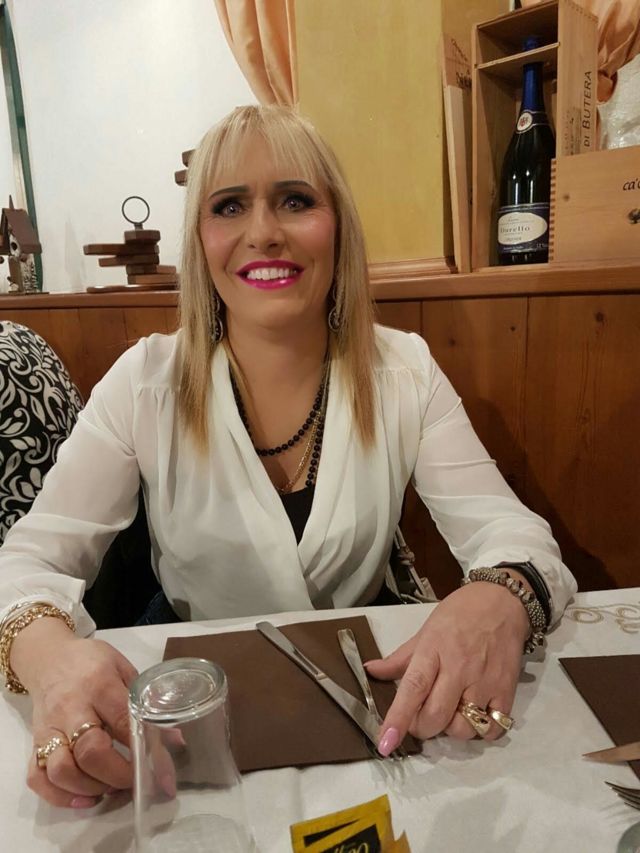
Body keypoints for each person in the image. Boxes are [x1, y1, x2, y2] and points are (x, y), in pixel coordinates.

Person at [0, 104, 577, 810]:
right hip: (189, 708)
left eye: (296, 200)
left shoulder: (405, 371)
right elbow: (26, 561)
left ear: (338, 228)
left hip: (367, 688)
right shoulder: (143, 381)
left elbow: (516, 537)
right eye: (229, 206)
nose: (264, 231)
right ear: (200, 240)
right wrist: (50, 658)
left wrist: (498, 596)